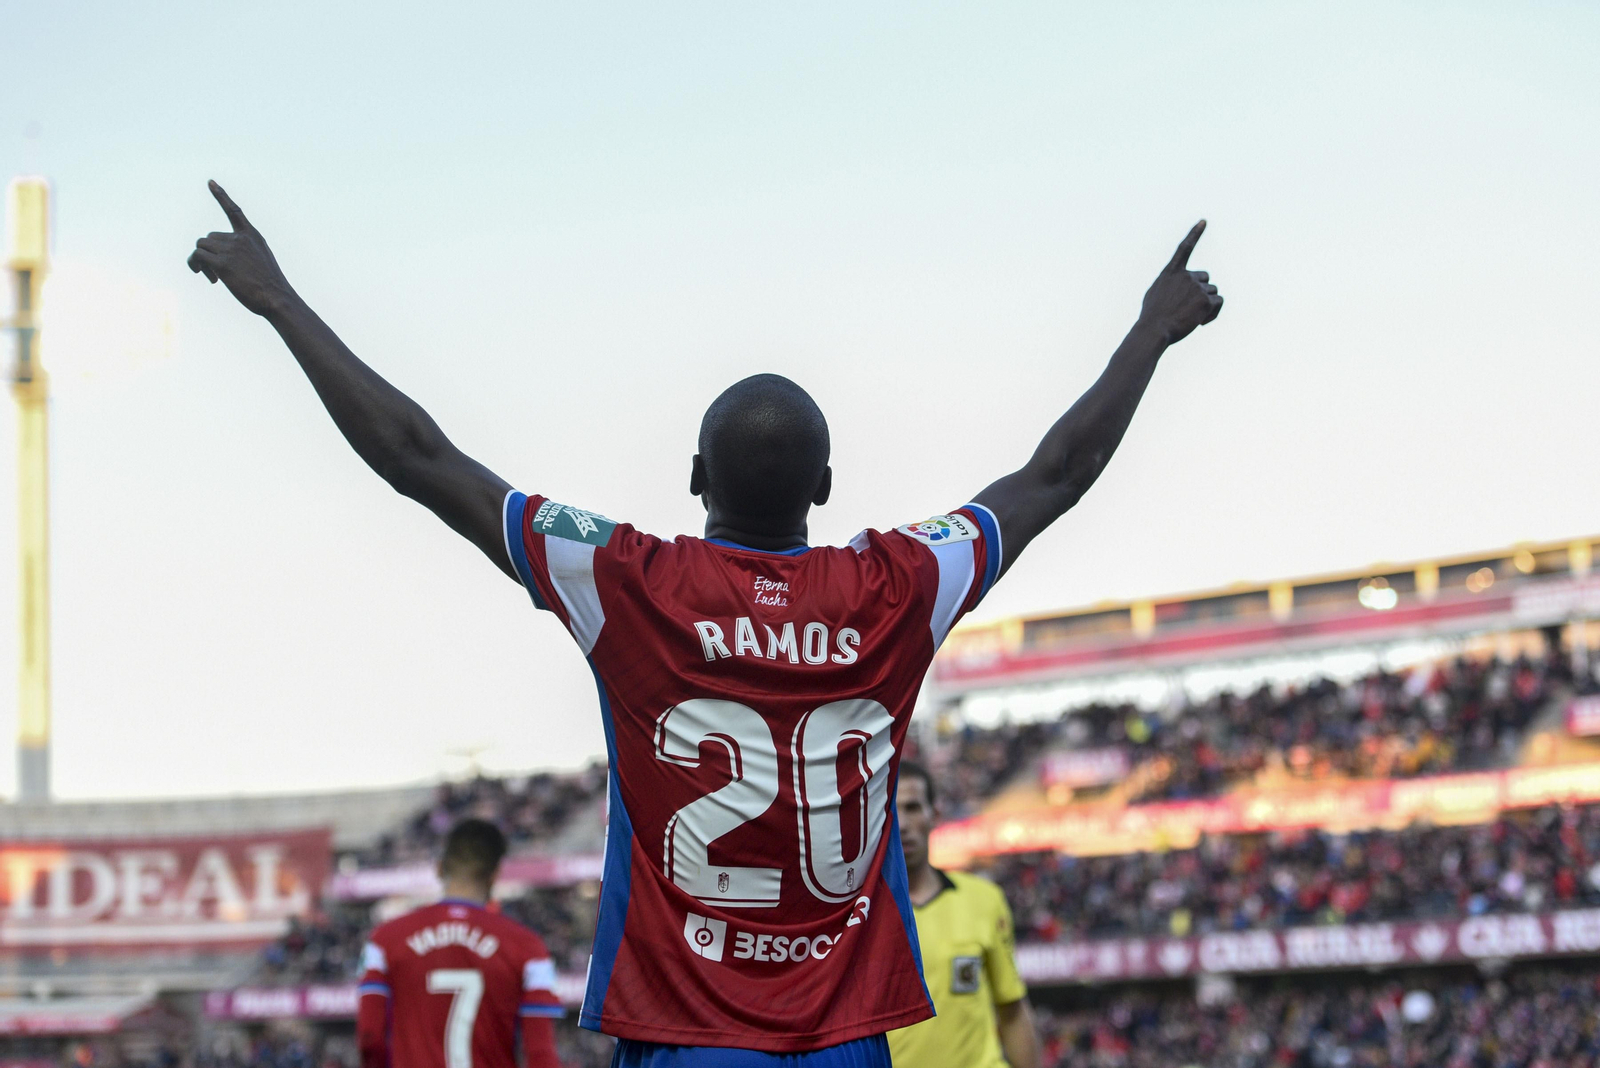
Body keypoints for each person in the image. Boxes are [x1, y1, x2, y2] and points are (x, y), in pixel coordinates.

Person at [188, 181, 1222, 1068]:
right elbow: (1056, 474)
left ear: (693, 477)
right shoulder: (899, 584)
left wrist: (278, 302)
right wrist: (1150, 330)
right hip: (845, 1033)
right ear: (825, 484)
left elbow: (419, 457)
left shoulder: (625, 579)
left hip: (684, 1026)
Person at [357, 819, 565, 1068]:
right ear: (495, 875)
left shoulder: (384, 941)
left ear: (439, 868)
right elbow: (540, 1054)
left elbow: (370, 1038)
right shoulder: (529, 948)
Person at [887, 763, 1038, 1068]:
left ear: (935, 815)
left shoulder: (984, 900)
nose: (902, 823)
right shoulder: (862, 914)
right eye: (892, 809)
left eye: (913, 807)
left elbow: (1012, 1011)